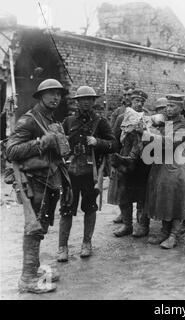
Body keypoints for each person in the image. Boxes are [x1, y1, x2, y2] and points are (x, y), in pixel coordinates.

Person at [6, 79, 72, 293]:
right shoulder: (29, 120)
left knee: (40, 227)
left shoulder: (50, 118)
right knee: (33, 229)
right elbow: (11, 151)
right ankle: (27, 278)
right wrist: (42, 142)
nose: (56, 97)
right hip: (34, 183)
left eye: (59, 94)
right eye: (51, 93)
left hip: (49, 181)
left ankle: (34, 271)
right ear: (40, 96)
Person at [58, 86, 116, 261]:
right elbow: (59, 145)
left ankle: (86, 243)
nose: (85, 102)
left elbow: (114, 144)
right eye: (82, 99)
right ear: (76, 102)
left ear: (93, 101)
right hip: (70, 172)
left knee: (90, 208)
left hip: (91, 173)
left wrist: (97, 141)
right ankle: (62, 247)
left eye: (89, 99)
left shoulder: (100, 122)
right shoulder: (67, 122)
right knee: (66, 209)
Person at [144, 95, 185, 249]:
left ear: (181, 108)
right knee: (164, 198)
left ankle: (175, 234)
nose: (168, 108)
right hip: (162, 167)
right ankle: (165, 230)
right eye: (168, 105)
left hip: (176, 169)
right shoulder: (166, 123)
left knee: (177, 200)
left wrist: (148, 135)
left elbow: (169, 143)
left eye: (172, 106)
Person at [111, 89, 151, 238]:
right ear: (130, 101)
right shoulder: (122, 117)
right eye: (136, 101)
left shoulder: (147, 118)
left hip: (143, 162)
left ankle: (142, 225)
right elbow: (114, 139)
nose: (139, 104)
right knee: (124, 194)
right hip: (125, 161)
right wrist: (114, 160)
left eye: (141, 101)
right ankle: (127, 225)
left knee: (142, 195)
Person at [110, 88, 136, 223]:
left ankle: (142, 223)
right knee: (123, 190)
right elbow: (114, 137)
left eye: (130, 95)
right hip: (124, 156)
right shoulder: (120, 115)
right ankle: (125, 218)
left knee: (140, 191)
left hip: (140, 158)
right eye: (125, 95)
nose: (127, 97)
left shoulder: (147, 115)